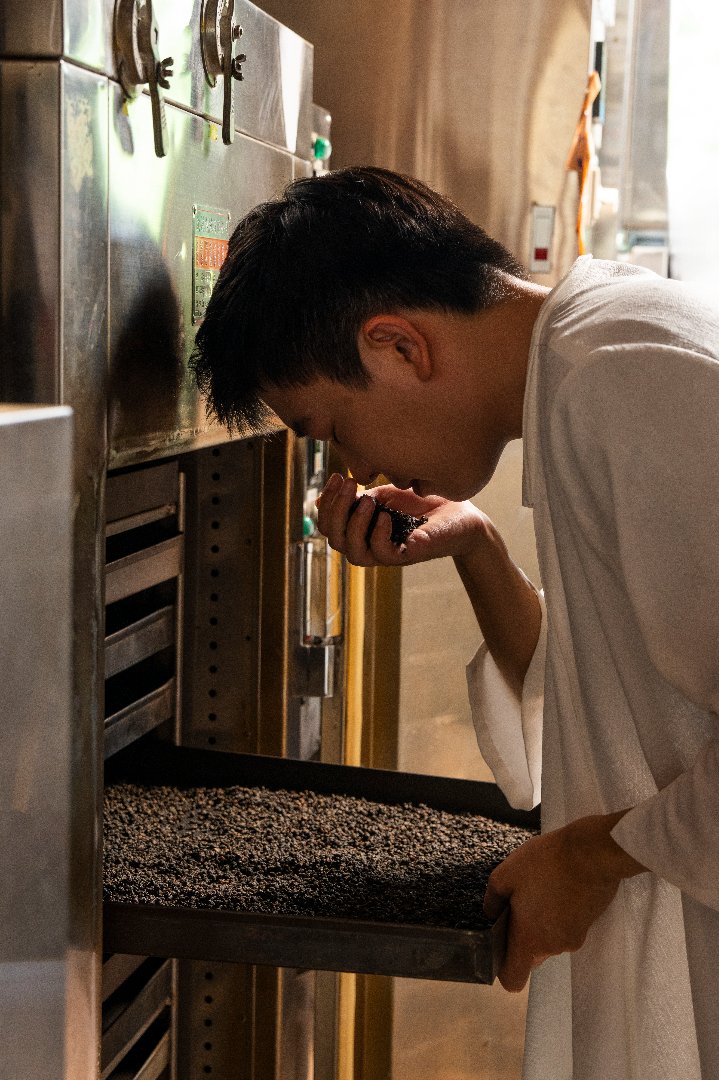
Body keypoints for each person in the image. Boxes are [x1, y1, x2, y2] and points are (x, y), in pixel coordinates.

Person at [191, 166, 719, 1080]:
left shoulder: (624, 378)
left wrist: (592, 859)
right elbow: (620, 696)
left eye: (333, 428)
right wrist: (476, 549)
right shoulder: (587, 360)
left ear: (396, 346)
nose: (349, 469)